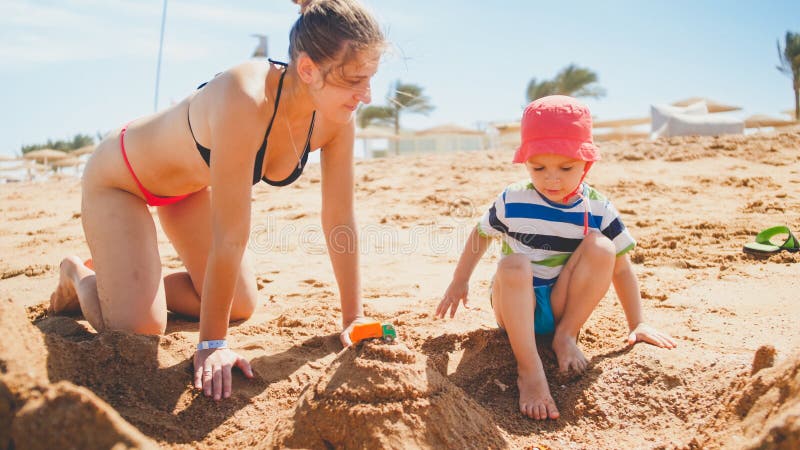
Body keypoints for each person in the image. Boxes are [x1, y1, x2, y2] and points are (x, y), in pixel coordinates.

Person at [48, 0, 385, 401]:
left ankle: (135, 283)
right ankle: (80, 276)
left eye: (370, 79)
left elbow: (339, 218)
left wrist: (354, 317)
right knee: (139, 330)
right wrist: (211, 346)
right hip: (121, 179)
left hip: (187, 190)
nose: (366, 95)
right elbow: (231, 235)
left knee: (239, 304)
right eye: (354, 81)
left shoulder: (336, 118)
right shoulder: (245, 95)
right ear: (310, 70)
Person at [434, 95, 676, 420]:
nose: (552, 178)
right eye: (539, 167)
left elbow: (620, 268)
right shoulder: (513, 199)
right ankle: (530, 368)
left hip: (563, 305)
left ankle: (564, 336)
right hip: (516, 305)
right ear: (525, 162)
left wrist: (638, 323)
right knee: (514, 263)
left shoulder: (597, 207)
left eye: (566, 167)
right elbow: (481, 234)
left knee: (603, 247)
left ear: (586, 164)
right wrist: (459, 281)